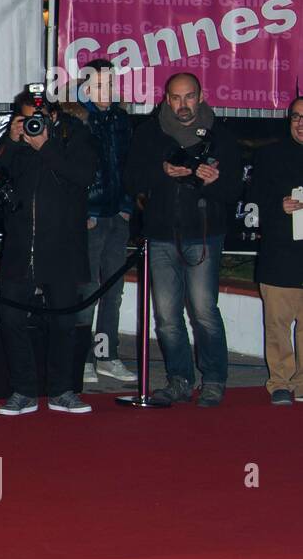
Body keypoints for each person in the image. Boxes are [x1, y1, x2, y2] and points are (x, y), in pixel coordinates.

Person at [124, 73, 244, 408]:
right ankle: (179, 379)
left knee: (204, 311)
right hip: (161, 235)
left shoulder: (221, 137)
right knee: (166, 316)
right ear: (165, 98)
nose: (183, 105)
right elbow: (131, 181)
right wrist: (161, 172)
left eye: (189, 97)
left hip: (205, 235)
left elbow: (235, 191)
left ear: (201, 96)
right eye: (176, 98)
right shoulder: (149, 134)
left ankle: (214, 380)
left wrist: (213, 181)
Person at [0, 90, 98, 415]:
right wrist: (10, 141)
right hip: (21, 245)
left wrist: (46, 146)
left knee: (63, 322)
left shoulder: (75, 135)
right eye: (25, 119)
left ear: (53, 114)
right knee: (10, 318)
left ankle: (61, 390)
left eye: (37, 118)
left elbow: (83, 176)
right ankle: (22, 391)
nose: (32, 125)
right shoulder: (17, 138)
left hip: (62, 245)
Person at [75, 59, 138, 385]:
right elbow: (74, 174)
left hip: (118, 215)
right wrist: (84, 210)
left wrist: (127, 205)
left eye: (111, 84)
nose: (107, 91)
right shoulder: (77, 120)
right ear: (85, 88)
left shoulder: (121, 119)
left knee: (114, 290)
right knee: (87, 289)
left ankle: (107, 355)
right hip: (91, 217)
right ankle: (82, 358)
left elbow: (129, 164)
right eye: (100, 85)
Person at [248, 96, 303, 406]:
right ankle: (280, 383)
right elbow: (251, 206)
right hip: (280, 254)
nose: (301, 123)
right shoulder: (269, 156)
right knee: (278, 326)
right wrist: (277, 207)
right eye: (296, 117)